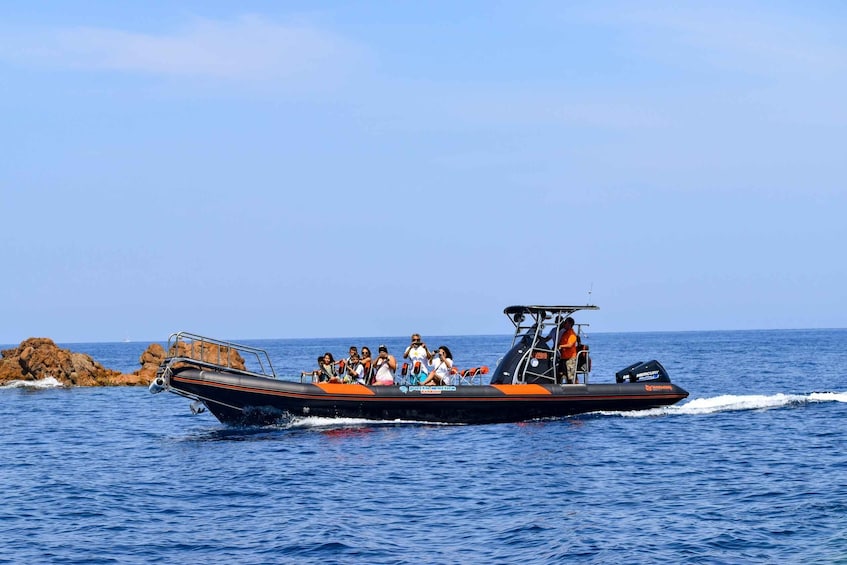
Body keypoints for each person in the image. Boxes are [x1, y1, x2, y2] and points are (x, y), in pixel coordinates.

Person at [557, 317, 579, 384]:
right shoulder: (564, 333)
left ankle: (575, 388)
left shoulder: (572, 334)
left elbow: (570, 345)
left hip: (570, 358)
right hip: (563, 357)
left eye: (566, 322)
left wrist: (561, 346)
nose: (564, 324)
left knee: (571, 376)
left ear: (570, 324)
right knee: (561, 374)